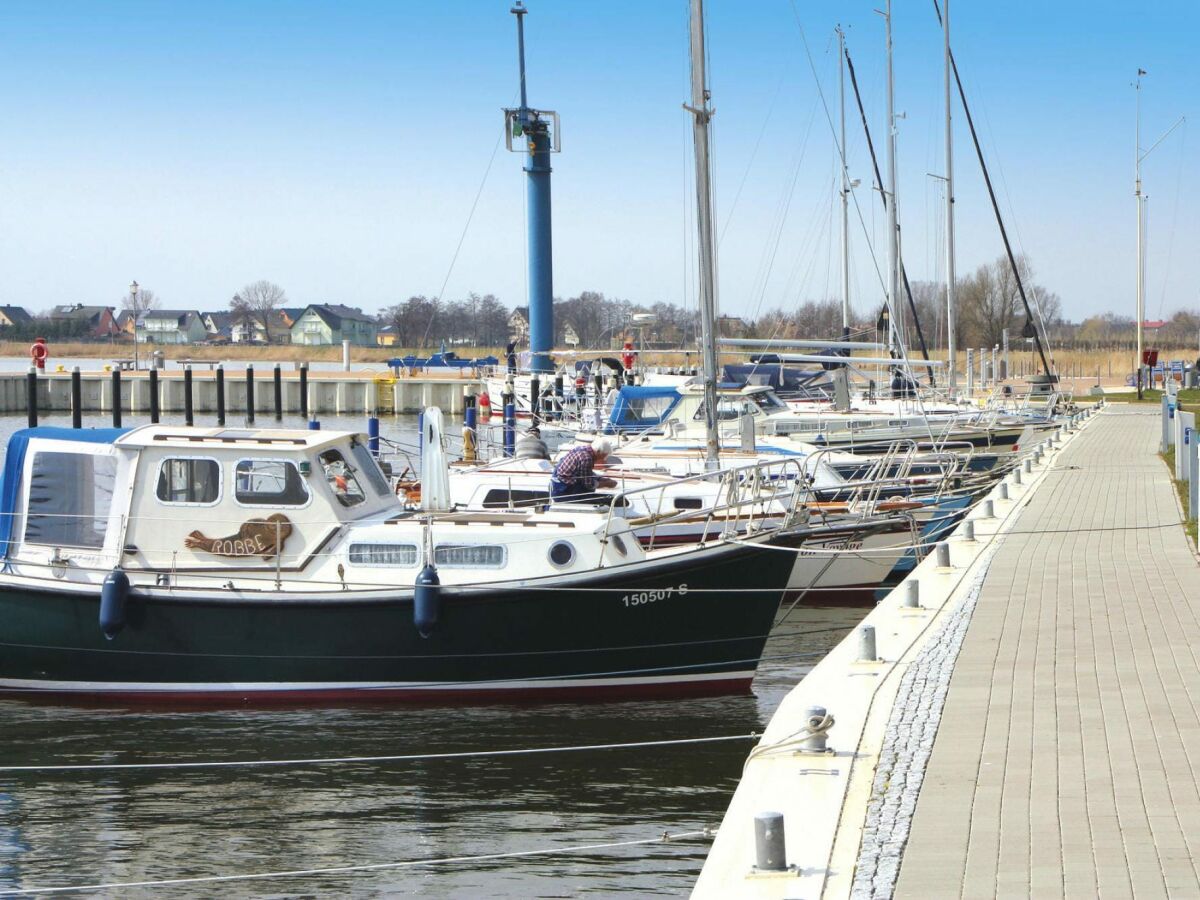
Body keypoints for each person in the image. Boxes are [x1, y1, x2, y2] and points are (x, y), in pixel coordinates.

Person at [550, 437, 617, 502]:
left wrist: (600, 479)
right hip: (564, 490)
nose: (604, 459)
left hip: (558, 485)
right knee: (604, 499)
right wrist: (606, 484)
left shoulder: (581, 449)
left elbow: (586, 473)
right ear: (598, 452)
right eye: (604, 455)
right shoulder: (586, 458)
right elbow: (589, 484)